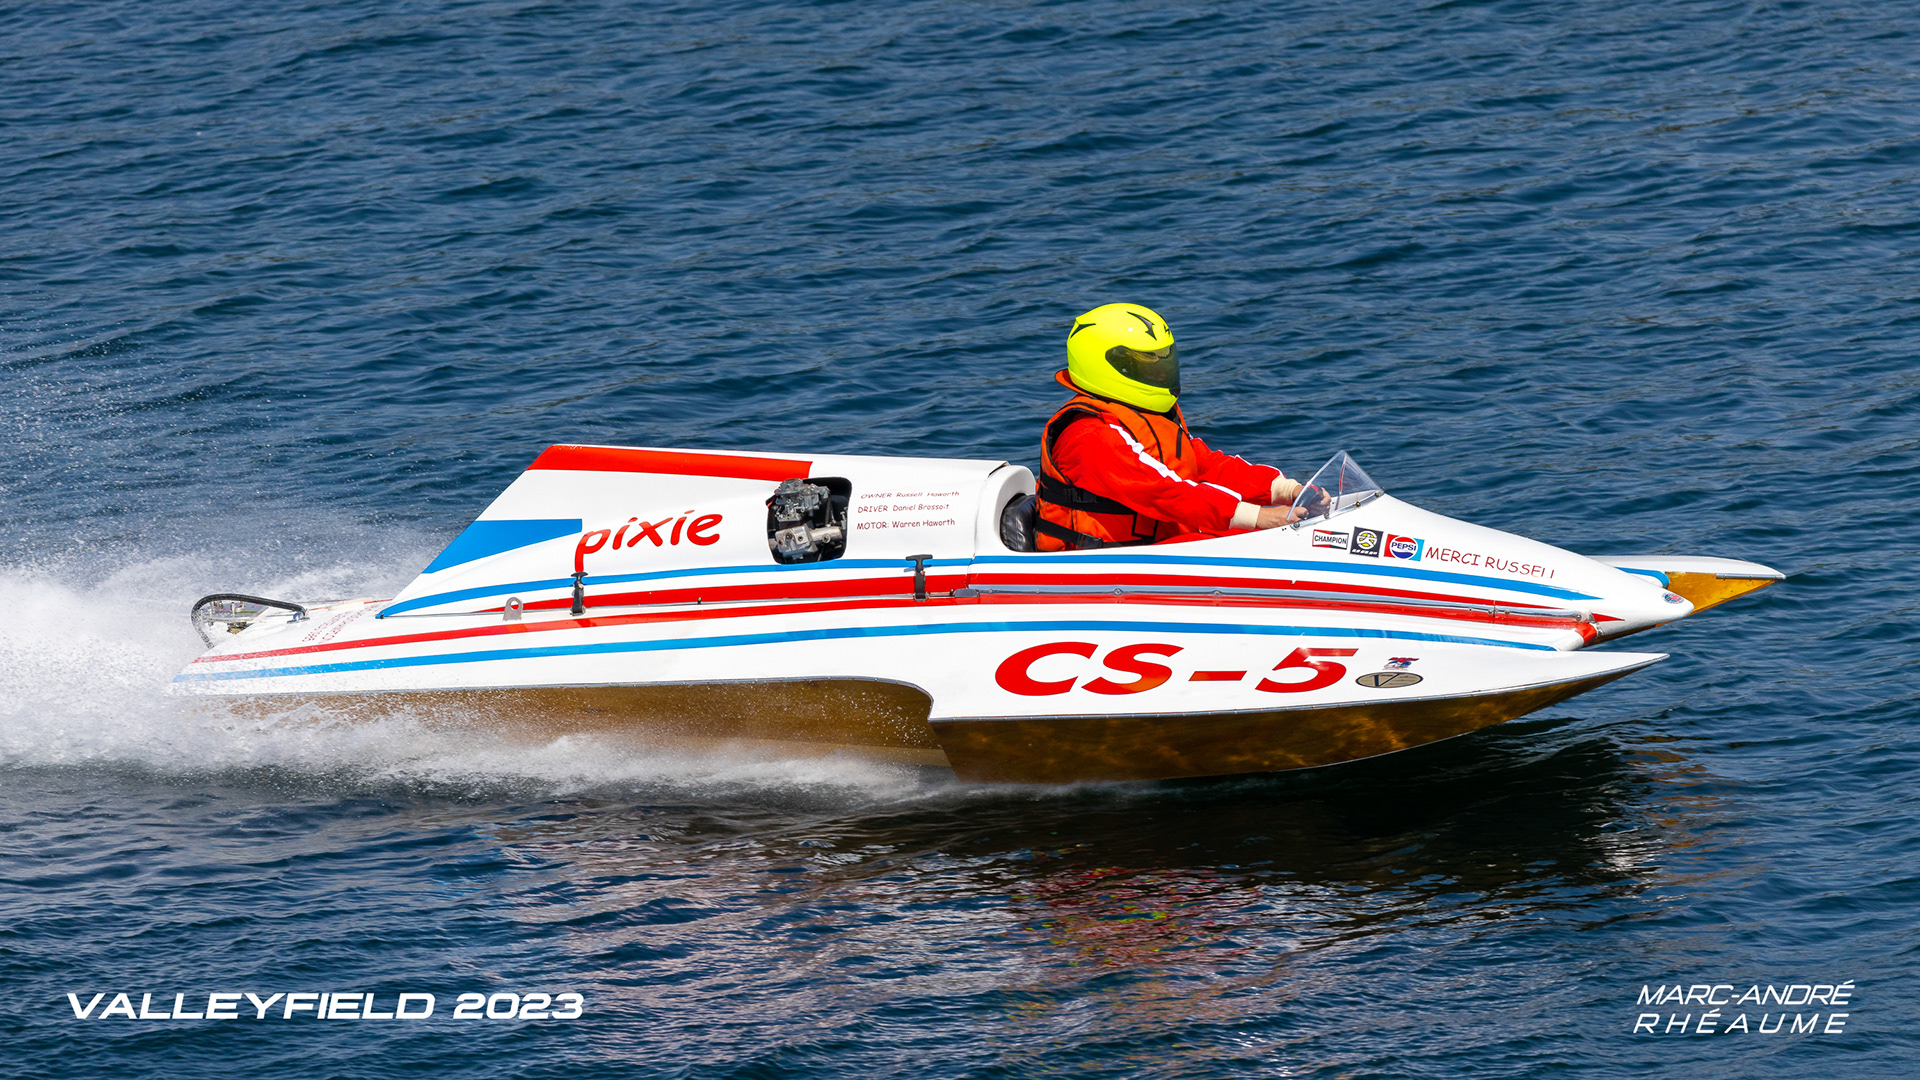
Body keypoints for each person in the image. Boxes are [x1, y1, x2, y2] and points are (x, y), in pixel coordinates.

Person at [1034, 302, 1306, 551]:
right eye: (1144, 363)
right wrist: (1258, 516)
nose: (1161, 373)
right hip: (1100, 560)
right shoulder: (1089, 434)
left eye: (1163, 359)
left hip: (1160, 545)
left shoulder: (1146, 414)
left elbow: (1204, 466)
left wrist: (1285, 490)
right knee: (1263, 538)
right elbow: (1162, 492)